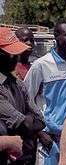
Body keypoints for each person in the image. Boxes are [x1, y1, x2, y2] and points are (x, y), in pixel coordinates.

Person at [24, 20, 66, 165]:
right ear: (56, 37)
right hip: (50, 140)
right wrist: (40, 133)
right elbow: (25, 101)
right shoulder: (41, 65)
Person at [0, 27, 45, 165]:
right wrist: (27, 119)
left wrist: (26, 120)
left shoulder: (18, 83)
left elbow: (40, 120)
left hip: (26, 156)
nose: (16, 57)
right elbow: (23, 124)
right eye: (10, 54)